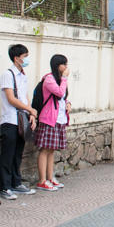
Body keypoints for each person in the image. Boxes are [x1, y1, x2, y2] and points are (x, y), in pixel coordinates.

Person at [0, 44, 37, 201]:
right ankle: (4, 186)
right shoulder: (8, 75)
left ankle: (16, 182)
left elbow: (25, 96)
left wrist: (31, 114)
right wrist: (30, 110)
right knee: (7, 154)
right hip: (10, 120)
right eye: (25, 56)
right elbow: (11, 98)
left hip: (22, 119)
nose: (27, 59)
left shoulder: (23, 75)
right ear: (17, 58)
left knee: (17, 154)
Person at [36, 54, 71, 191]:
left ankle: (50, 178)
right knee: (45, 150)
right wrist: (65, 78)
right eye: (64, 64)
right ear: (58, 65)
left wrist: (68, 103)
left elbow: (64, 97)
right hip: (49, 119)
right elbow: (59, 93)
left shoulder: (59, 79)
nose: (66, 67)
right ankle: (42, 180)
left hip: (59, 119)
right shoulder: (49, 79)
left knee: (51, 150)